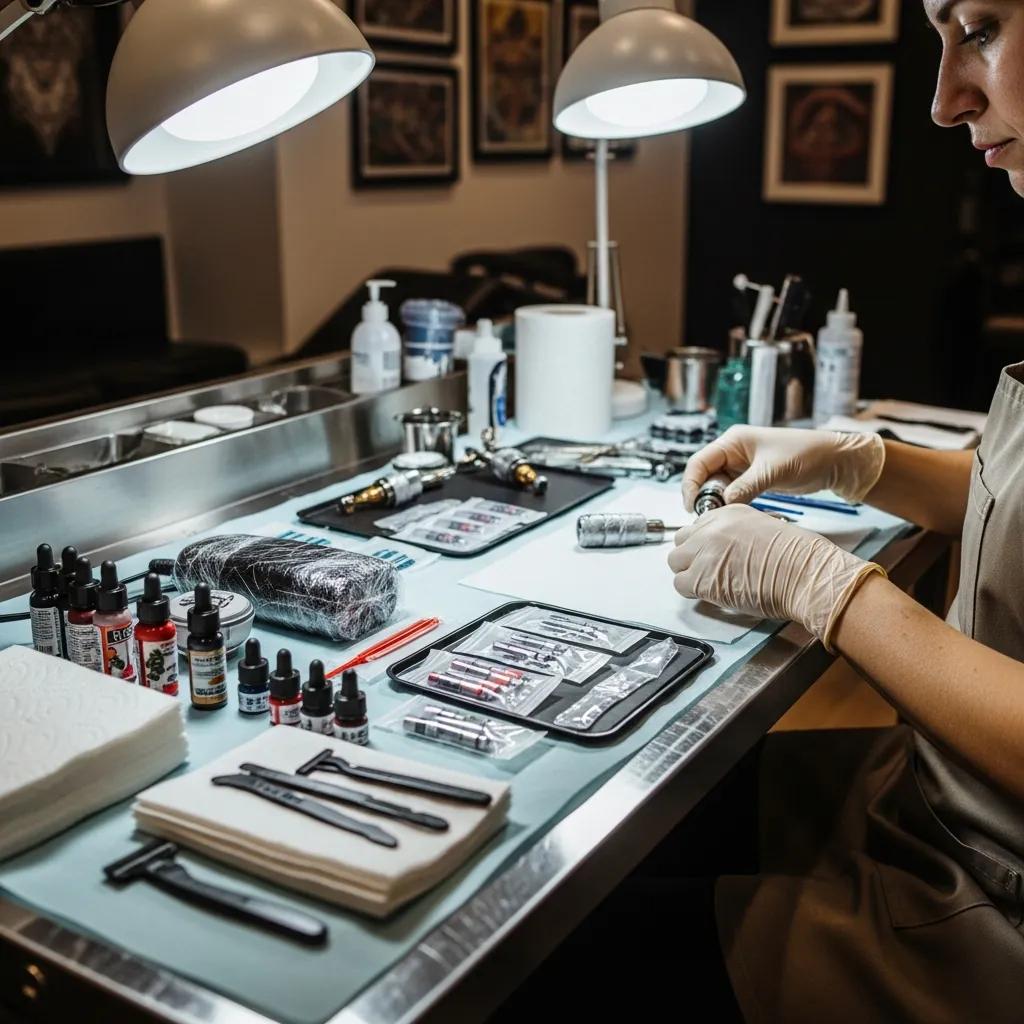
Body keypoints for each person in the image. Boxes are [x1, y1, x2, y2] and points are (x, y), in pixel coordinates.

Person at [668, 2, 1024, 1019]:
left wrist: (822, 584)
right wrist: (857, 464)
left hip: (990, 921)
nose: (943, 97)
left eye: (981, 28)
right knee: (688, 819)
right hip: (939, 803)